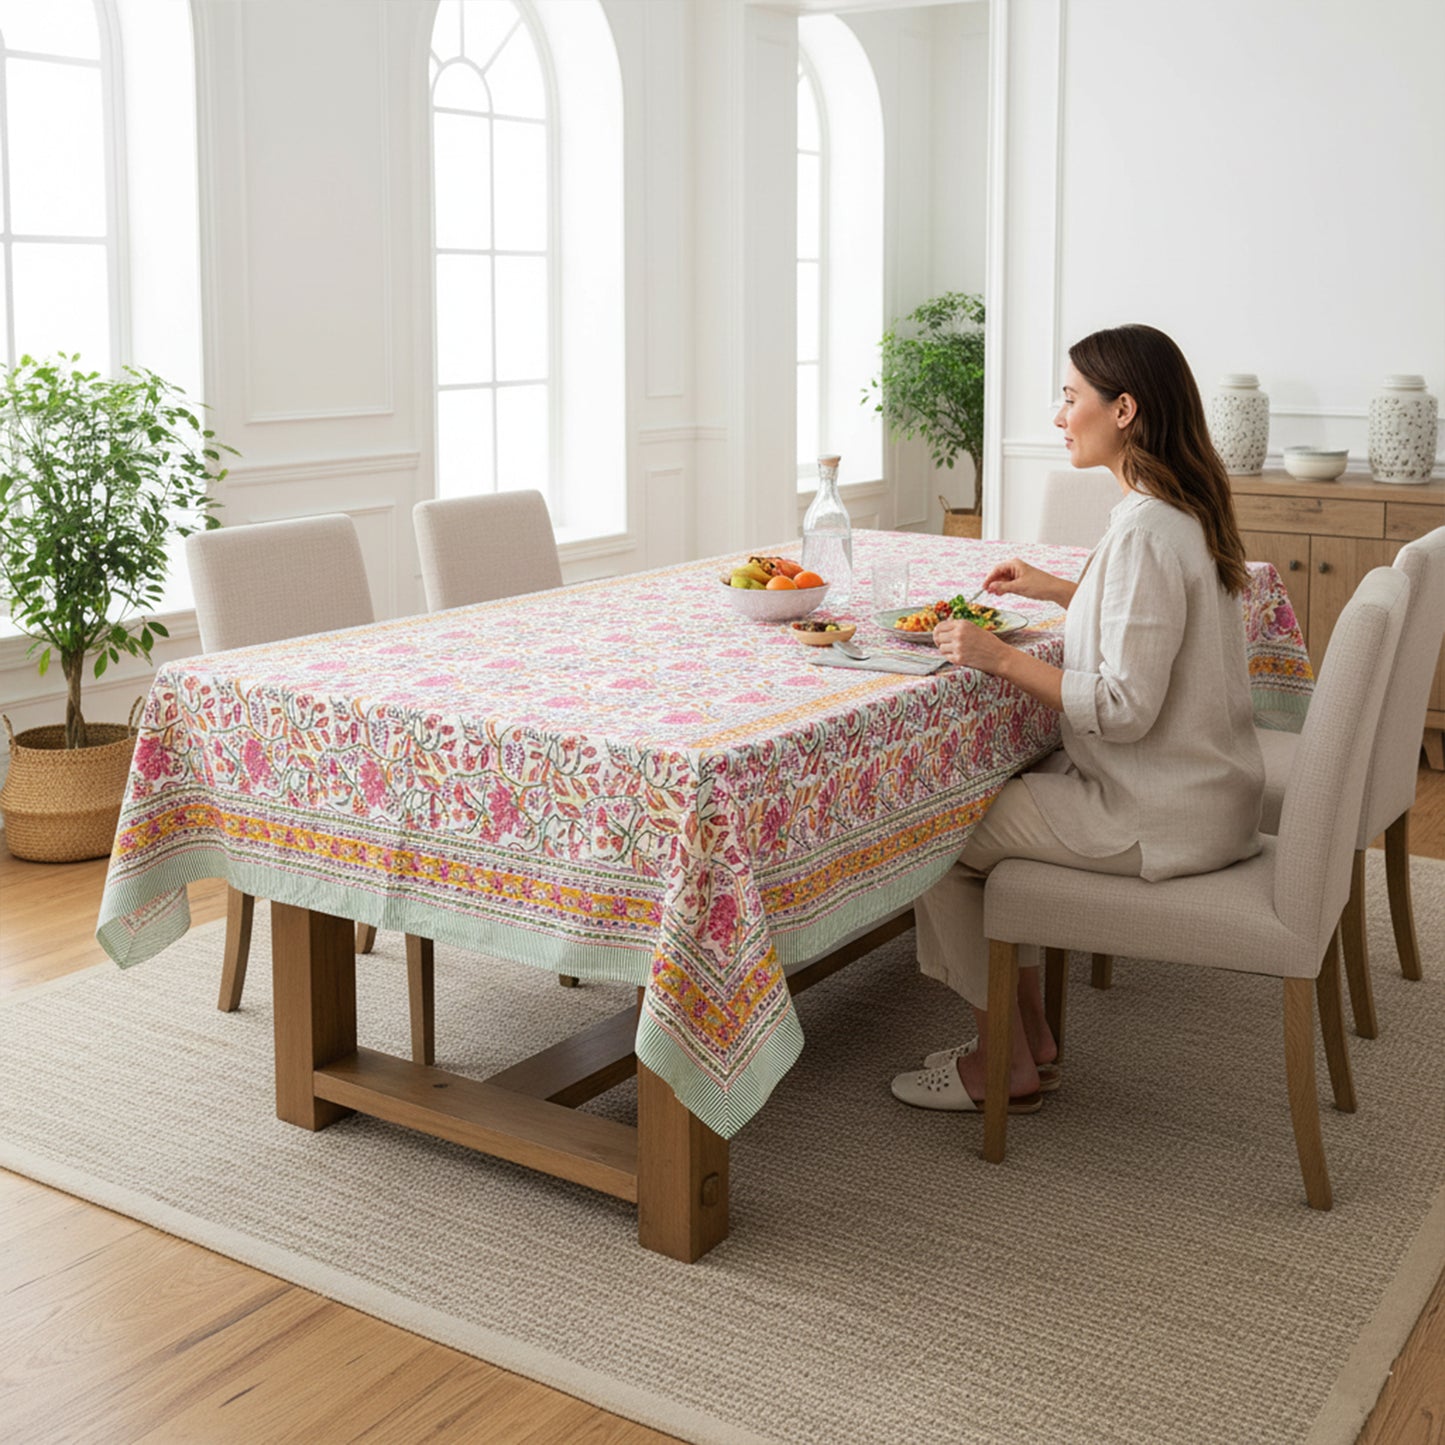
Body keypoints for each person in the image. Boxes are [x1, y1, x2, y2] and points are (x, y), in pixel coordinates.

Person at [891, 323, 1265, 1114]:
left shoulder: (1145, 533)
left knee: (931, 832)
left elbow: (1124, 708)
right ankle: (1029, 1039)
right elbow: (1152, 622)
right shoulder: (1176, 509)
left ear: (1123, 409)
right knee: (994, 791)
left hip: (1155, 813)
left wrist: (996, 657)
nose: (1059, 416)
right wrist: (1062, 589)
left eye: (1070, 398)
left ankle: (1002, 1059)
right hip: (1203, 794)